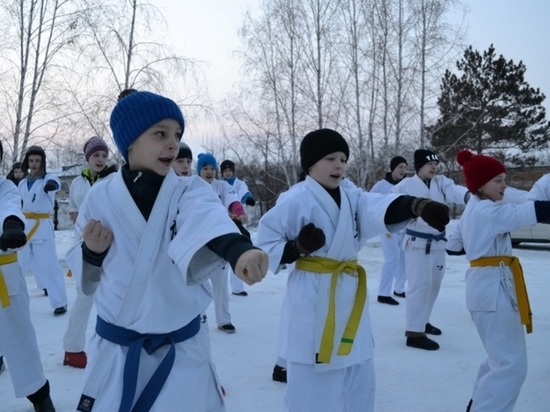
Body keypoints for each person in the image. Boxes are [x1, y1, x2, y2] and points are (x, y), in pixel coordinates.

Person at [66, 89, 267, 412]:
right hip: (118, 351)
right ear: (130, 142)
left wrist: (238, 250)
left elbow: (208, 222)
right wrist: (91, 252)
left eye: (176, 134)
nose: (173, 144)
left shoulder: (188, 190)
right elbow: (84, 278)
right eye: (160, 134)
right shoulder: (100, 197)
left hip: (181, 352)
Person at [256, 129, 449, 412]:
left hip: (349, 295)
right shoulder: (295, 199)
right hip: (313, 296)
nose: (339, 165)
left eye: (344, 159)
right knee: (311, 389)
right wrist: (297, 248)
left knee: (360, 381)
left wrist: (417, 205)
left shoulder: (351, 196)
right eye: (330, 158)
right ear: (309, 164)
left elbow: (377, 206)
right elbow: (266, 242)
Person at [446, 150, 550, 412]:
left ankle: (478, 404)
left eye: (504, 179)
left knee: (498, 360)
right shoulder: (487, 211)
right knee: (511, 366)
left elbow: (454, 245)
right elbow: (526, 213)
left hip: (486, 287)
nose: (504, 186)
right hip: (493, 290)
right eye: (498, 180)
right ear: (480, 185)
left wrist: (477, 243)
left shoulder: (472, 210)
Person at [390, 149, 469, 350]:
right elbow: (390, 203)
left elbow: (455, 191)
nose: (434, 167)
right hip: (416, 243)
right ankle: (414, 333)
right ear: (419, 167)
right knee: (419, 286)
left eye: (436, 164)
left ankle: (423, 321)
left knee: (434, 286)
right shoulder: (406, 185)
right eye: (429, 164)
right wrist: (406, 215)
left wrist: (469, 196)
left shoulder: (441, 182)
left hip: (438, 243)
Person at [0, 141, 56, 411]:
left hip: (3, 270)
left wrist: (11, 225)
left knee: (18, 332)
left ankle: (38, 392)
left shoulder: (4, 186)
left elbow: (10, 206)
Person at [63, 136, 117, 369]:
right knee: (84, 296)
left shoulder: (115, 180)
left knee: (116, 295)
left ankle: (116, 347)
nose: (101, 159)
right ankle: (72, 348)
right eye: (96, 155)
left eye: (104, 155)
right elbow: (74, 211)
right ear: (87, 158)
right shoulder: (77, 183)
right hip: (84, 246)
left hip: (113, 244)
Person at [197, 152, 248, 333]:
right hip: (198, 243)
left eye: (212, 168)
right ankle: (196, 320)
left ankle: (223, 320)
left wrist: (239, 212)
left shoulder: (222, 186)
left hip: (220, 241)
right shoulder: (192, 186)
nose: (209, 172)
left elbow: (233, 201)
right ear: (199, 170)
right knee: (196, 286)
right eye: (205, 168)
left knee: (220, 285)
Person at [18, 145, 68, 316]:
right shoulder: (23, 183)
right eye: (31, 161)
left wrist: (52, 185)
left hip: (41, 228)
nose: (34, 164)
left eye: (37, 161)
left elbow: (55, 183)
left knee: (49, 266)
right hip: (24, 228)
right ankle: (13, 303)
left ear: (42, 162)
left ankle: (60, 302)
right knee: (18, 266)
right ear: (27, 162)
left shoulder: (48, 178)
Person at [370, 156, 408, 305]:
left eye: (405, 167)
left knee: (404, 259)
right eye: (400, 167)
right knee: (392, 258)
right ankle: (383, 293)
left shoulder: (407, 184)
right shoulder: (381, 185)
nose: (403, 170)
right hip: (388, 228)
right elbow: (370, 201)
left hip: (404, 228)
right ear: (393, 168)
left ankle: (399, 288)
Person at [220, 159, 256, 297]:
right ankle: (221, 287)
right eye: (225, 171)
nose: (228, 173)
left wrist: (248, 199)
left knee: (238, 252)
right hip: (224, 222)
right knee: (223, 254)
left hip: (239, 222)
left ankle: (237, 287)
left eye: (230, 170)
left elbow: (244, 193)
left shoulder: (239, 184)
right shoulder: (220, 185)